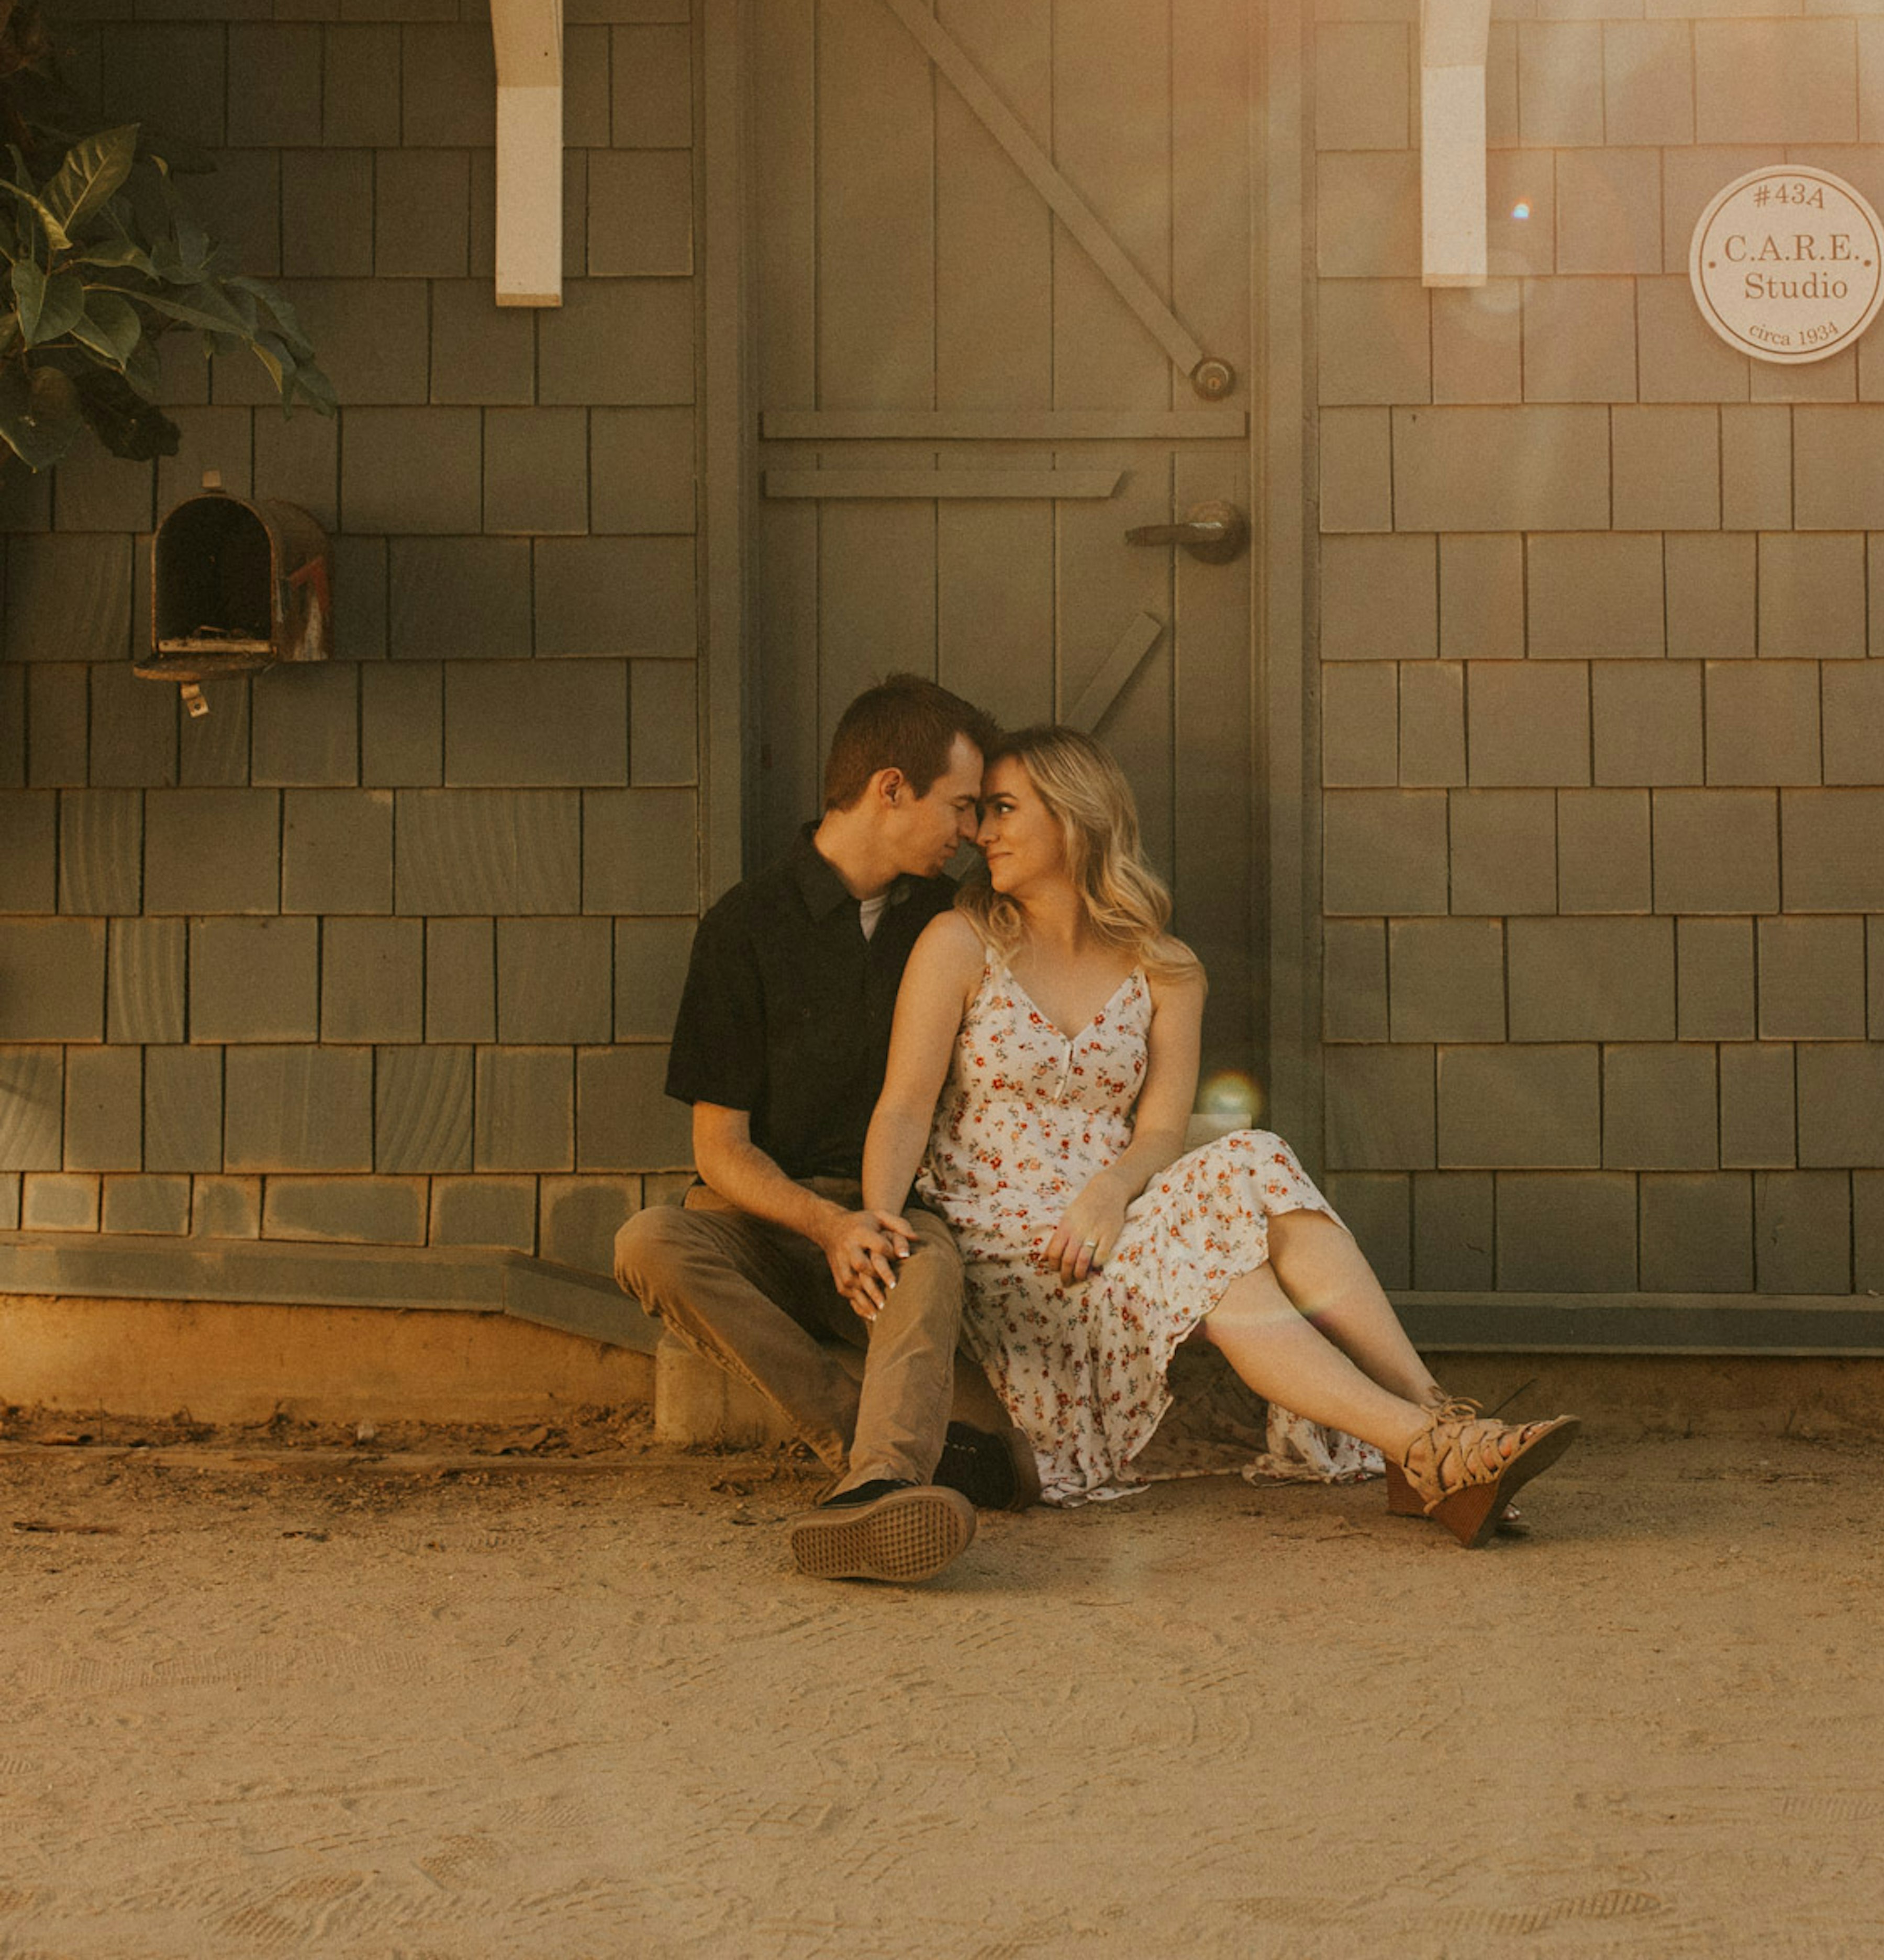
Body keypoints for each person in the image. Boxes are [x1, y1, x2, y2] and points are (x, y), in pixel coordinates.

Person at [861, 726, 1578, 1544]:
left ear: (1075, 817)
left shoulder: (1164, 967)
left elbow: (1162, 1130)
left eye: (1003, 809)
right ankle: (1438, 1449)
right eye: (979, 811)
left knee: (1253, 1161)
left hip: (1116, 1218)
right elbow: (905, 1108)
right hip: (1014, 1244)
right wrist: (879, 1218)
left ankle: (1432, 1433)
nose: (980, 833)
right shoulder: (960, 943)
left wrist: (1107, 1191)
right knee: (1225, 1236)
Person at [612, 674, 1030, 1587]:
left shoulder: (952, 919)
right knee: (649, 1241)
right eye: (959, 806)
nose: (970, 832)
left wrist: (867, 1226)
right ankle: (870, 1455)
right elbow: (719, 1151)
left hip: (895, 1228)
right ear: (890, 788)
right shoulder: (745, 927)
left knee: (927, 1257)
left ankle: (875, 1485)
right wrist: (826, 1226)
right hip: (773, 1226)